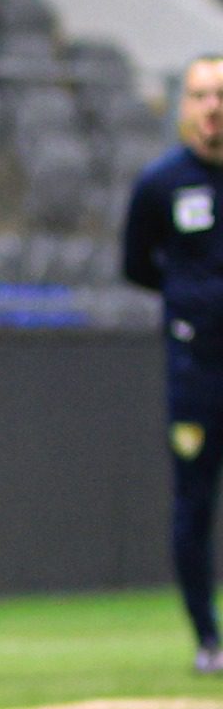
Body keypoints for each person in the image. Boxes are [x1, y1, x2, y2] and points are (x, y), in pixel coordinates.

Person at [123, 54, 223, 673]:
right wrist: (190, 300)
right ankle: (207, 638)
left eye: (222, 95)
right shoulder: (160, 185)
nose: (213, 109)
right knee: (194, 502)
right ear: (183, 107)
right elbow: (135, 265)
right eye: (201, 96)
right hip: (197, 372)